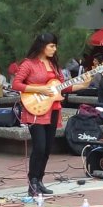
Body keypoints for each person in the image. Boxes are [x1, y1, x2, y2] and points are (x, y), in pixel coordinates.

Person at [12, 33, 91, 196]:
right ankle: (32, 182)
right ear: (42, 45)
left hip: (53, 109)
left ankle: (39, 181)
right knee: (39, 147)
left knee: (47, 148)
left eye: (55, 46)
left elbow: (64, 87)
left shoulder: (54, 65)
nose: (55, 49)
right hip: (36, 109)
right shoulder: (29, 64)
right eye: (52, 46)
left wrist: (84, 83)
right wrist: (38, 89)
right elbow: (16, 84)